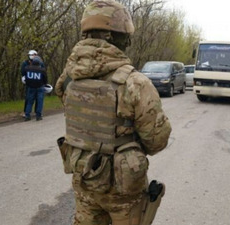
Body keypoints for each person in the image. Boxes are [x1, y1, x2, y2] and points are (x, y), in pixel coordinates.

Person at [55, 1, 171, 224]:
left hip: (84, 179)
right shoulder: (135, 83)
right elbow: (156, 142)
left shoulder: (69, 77)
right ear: (114, 36)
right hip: (123, 190)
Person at [21, 50, 45, 117]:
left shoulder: (41, 63)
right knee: (28, 98)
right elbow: (23, 73)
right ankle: (26, 112)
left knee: (38, 99)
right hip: (29, 83)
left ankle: (37, 112)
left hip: (38, 83)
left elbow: (43, 73)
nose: (32, 56)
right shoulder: (25, 63)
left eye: (33, 55)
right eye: (31, 55)